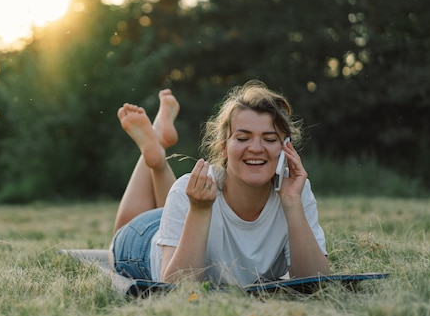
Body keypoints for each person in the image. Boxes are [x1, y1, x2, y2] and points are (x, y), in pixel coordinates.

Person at [109, 81, 329, 286]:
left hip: (184, 214)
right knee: (117, 238)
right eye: (243, 138)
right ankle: (156, 160)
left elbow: (315, 282)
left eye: (270, 139)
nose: (255, 147)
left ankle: (158, 154)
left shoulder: (296, 192)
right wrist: (199, 209)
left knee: (177, 205)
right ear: (224, 147)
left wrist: (292, 204)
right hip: (146, 239)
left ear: (286, 149)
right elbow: (178, 287)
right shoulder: (188, 194)